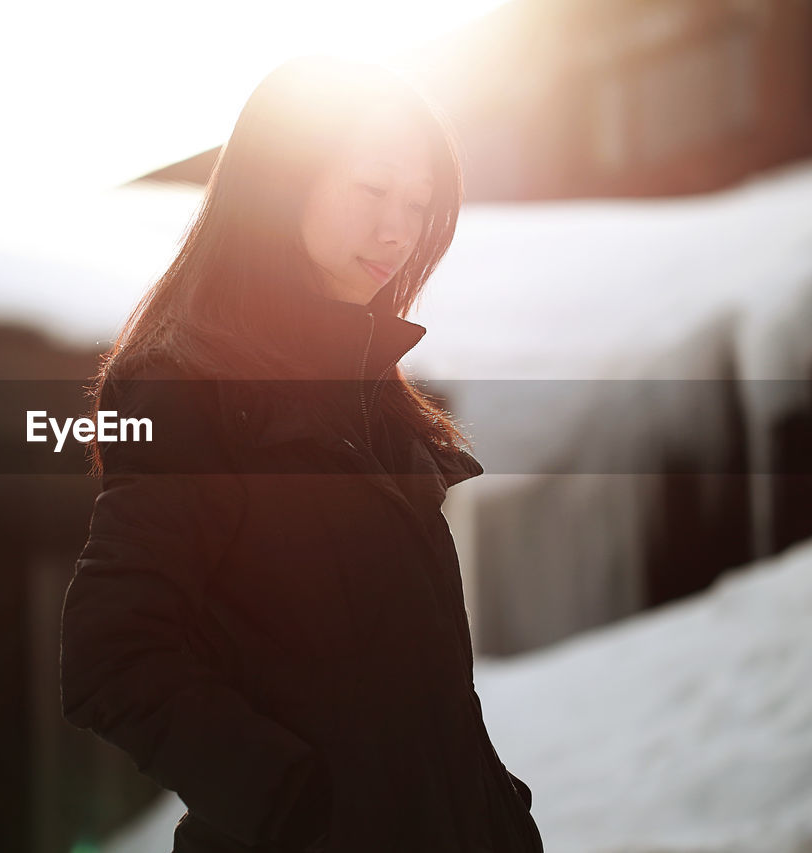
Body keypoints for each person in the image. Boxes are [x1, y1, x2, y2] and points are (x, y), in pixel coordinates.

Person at [58, 55, 544, 853]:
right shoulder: (186, 389)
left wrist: (499, 817)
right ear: (283, 180)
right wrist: (291, 805)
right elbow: (113, 656)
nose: (399, 228)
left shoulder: (372, 397)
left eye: (418, 203)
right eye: (372, 190)